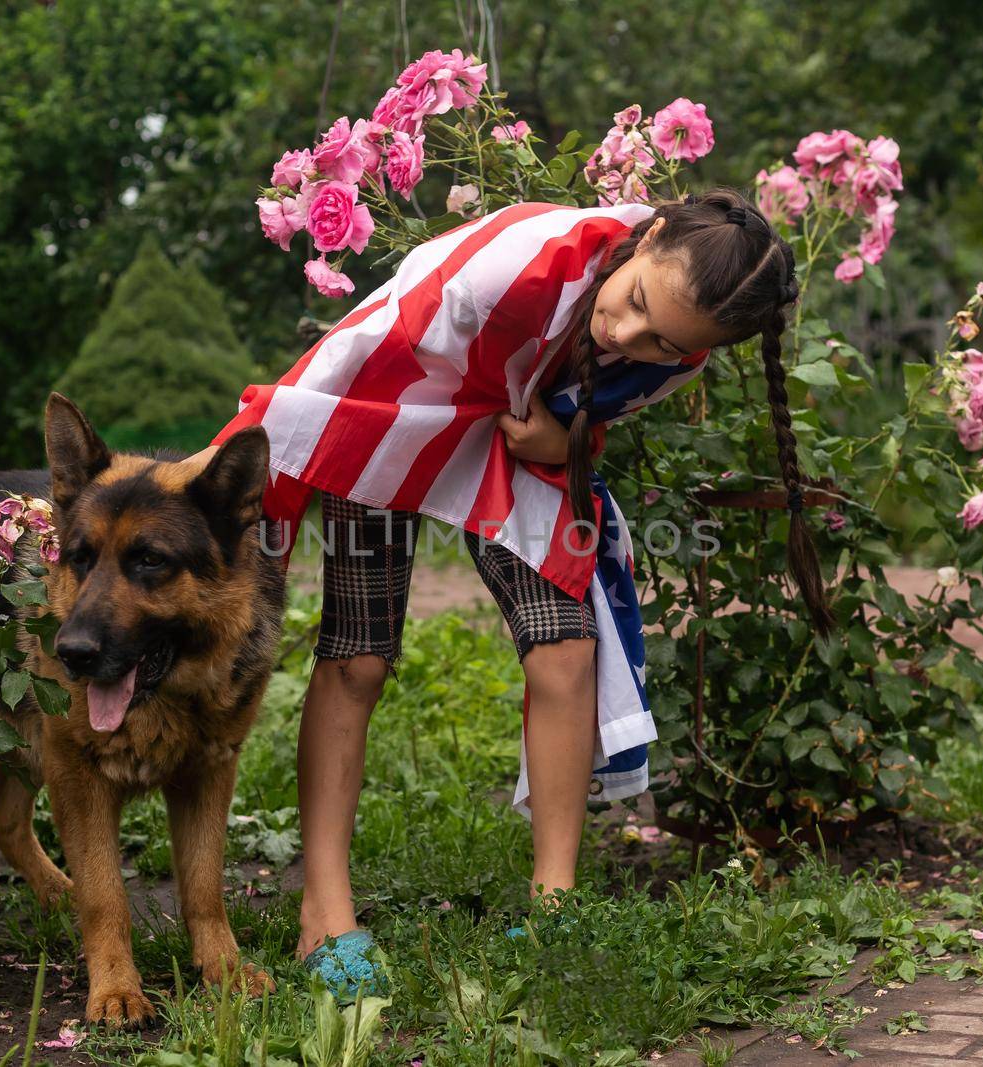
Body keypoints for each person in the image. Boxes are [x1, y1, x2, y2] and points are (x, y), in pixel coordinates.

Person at [185, 188, 830, 1000]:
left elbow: (593, 413)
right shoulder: (514, 263)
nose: (627, 336)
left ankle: (554, 901)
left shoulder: (680, 351)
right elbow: (376, 349)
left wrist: (571, 439)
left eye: (660, 340)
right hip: (391, 410)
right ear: (650, 233)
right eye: (634, 303)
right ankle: (325, 909)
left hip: (512, 436)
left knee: (567, 646)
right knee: (360, 658)